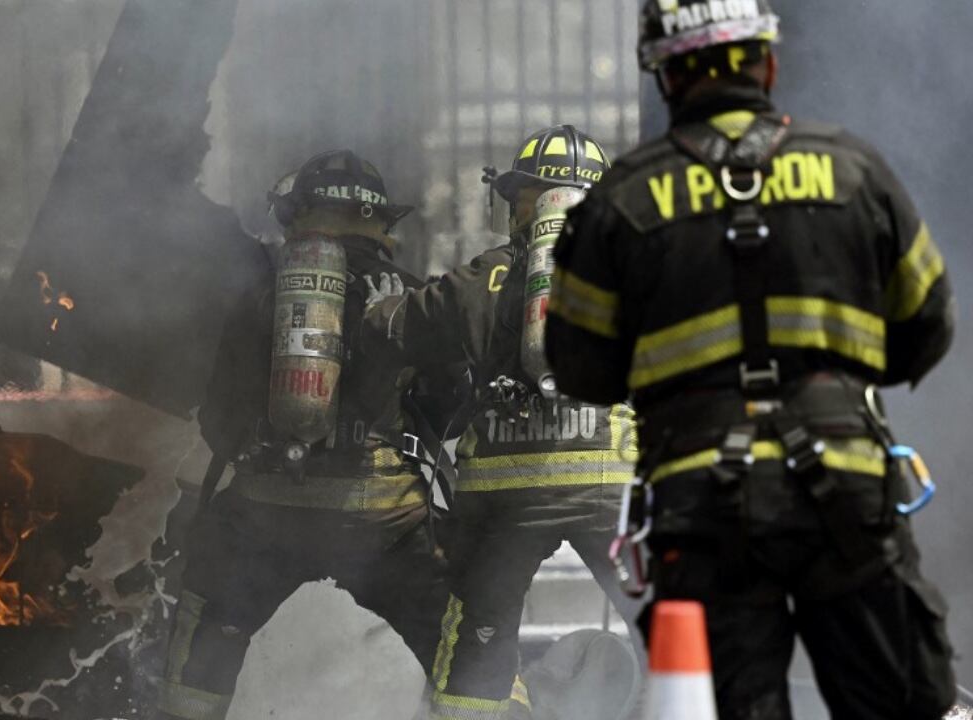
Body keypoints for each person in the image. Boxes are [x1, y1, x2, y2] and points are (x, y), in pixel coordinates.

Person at [544, 2, 958, 718]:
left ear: (666, 78)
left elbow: (580, 369)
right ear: (766, 62)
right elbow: (928, 323)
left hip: (702, 508)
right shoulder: (855, 171)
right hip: (847, 492)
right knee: (900, 702)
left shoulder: (618, 201)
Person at [156, 150, 448, 720]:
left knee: (207, 633)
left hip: (266, 517)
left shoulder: (262, 297)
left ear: (297, 217)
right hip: (384, 521)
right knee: (460, 645)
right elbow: (450, 409)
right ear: (380, 221)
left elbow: (219, 416)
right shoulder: (412, 296)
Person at [367, 126, 642, 720]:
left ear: (524, 199)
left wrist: (377, 307)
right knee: (667, 629)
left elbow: (406, 327)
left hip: (504, 500)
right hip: (610, 489)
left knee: (477, 646)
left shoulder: (484, 276)